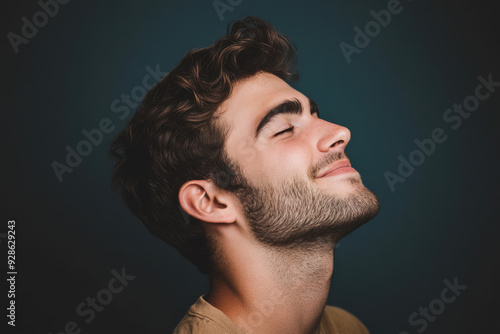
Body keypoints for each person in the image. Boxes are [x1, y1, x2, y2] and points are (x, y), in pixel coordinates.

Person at [110, 16, 380, 334]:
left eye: (315, 115)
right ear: (211, 201)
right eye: (284, 129)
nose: (340, 133)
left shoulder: (347, 328)